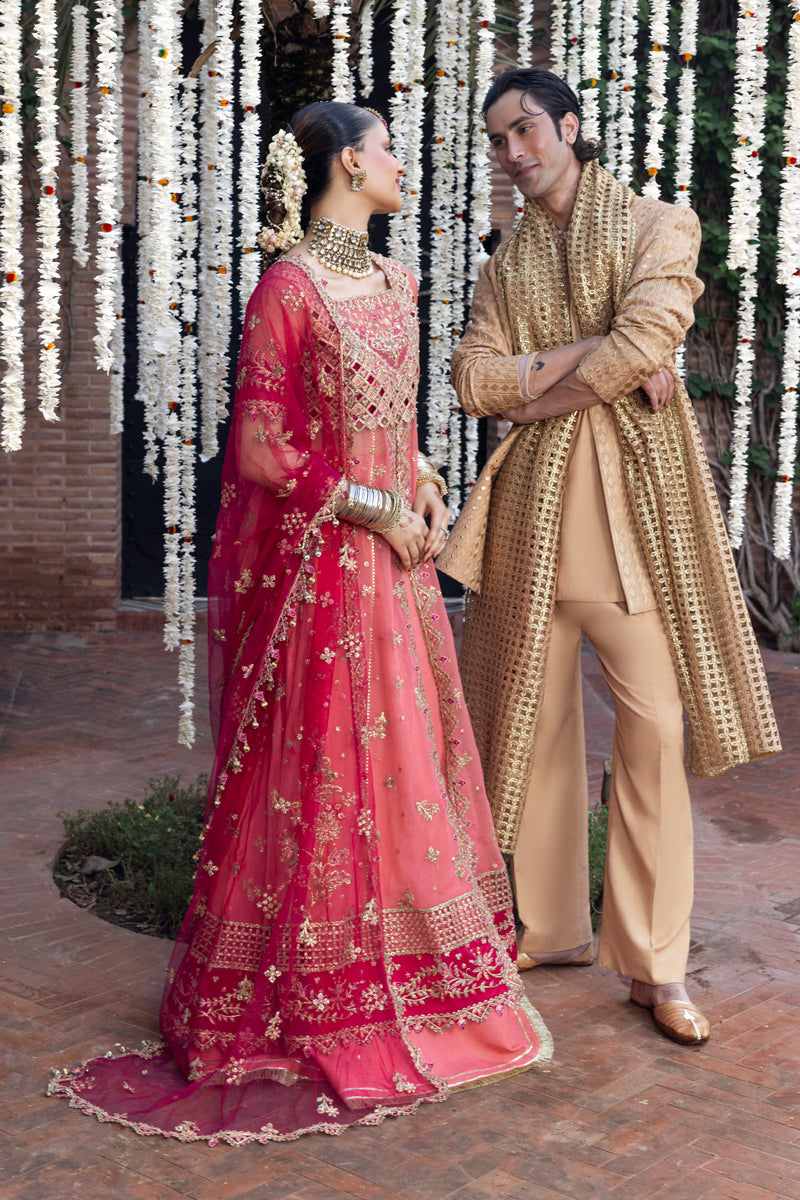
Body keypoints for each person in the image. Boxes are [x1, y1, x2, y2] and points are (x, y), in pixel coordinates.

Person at [48, 102, 550, 1145]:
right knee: (326, 767)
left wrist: (422, 485)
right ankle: (316, 995)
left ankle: (422, 979)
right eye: (386, 148)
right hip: (329, 571)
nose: (400, 162)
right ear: (348, 166)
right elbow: (261, 447)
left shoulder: (397, 281)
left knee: (404, 766)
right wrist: (372, 507)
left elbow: (393, 424)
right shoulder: (288, 287)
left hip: (399, 569)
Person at [438, 70, 781, 1047]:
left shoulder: (657, 227)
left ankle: (655, 965)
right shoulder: (505, 263)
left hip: (636, 529)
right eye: (497, 138)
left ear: (569, 126)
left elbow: (646, 338)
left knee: (654, 734)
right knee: (533, 731)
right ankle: (549, 932)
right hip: (528, 530)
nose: (512, 152)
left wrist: (538, 393)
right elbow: (472, 380)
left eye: (525, 129)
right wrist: (598, 353)